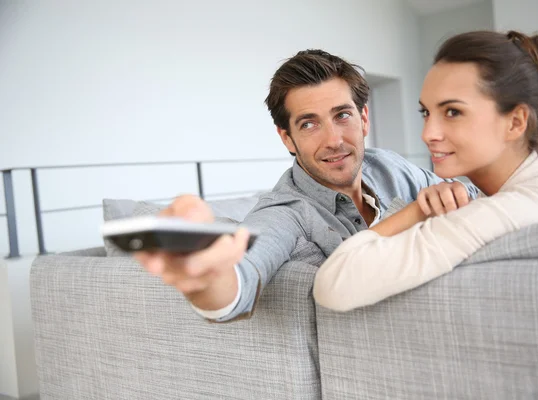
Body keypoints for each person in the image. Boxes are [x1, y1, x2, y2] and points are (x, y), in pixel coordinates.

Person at [134, 49, 479, 322]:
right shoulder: (285, 212)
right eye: (309, 124)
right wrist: (206, 279)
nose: (334, 140)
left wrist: (460, 192)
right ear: (287, 138)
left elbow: (476, 196)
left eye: (342, 116)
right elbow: (241, 277)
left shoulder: (389, 166)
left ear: (363, 119)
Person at [313, 30, 538, 312]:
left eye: (453, 112)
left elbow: (332, 283)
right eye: (426, 112)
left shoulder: (504, 211)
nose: (428, 134)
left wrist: (418, 211)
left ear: (515, 122)